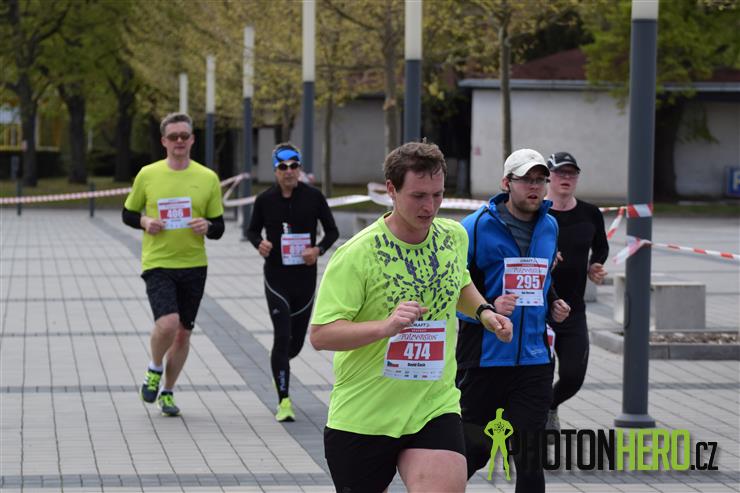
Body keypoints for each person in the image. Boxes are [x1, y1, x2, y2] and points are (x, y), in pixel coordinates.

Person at [309, 141, 513, 493]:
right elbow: (322, 335)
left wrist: (484, 312)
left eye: (437, 195)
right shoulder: (357, 254)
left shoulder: (453, 237)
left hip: (433, 404)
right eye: (418, 196)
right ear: (391, 189)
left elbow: (458, 283)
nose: (429, 206)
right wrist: (386, 326)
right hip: (366, 414)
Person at [456, 148, 570, 492]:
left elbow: (540, 280)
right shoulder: (474, 227)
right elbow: (451, 291)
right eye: (526, 180)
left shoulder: (550, 225)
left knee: (530, 457)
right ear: (506, 183)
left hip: (534, 360)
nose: (534, 187)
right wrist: (489, 308)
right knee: (474, 451)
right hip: (485, 359)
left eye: (540, 180)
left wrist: (553, 303)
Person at [122, 112, 225, 417]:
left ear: (192, 140)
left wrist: (207, 226)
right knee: (167, 323)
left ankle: (167, 391)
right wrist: (144, 221)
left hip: (194, 264)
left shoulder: (207, 178)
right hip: (158, 262)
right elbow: (127, 214)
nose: (179, 141)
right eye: (173, 136)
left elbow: (219, 227)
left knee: (182, 334)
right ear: (163, 141)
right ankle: (154, 367)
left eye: (184, 136)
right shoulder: (148, 174)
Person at [246, 143, 339, 422]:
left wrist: (318, 250)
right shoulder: (265, 199)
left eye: (294, 166)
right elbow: (252, 230)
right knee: (281, 335)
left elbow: (332, 231)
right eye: (283, 167)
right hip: (276, 278)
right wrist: (259, 243)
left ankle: (281, 366)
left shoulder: (313, 197)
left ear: (299, 168)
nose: (289, 171)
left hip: (304, 279)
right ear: (275, 170)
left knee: (294, 344)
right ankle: (284, 400)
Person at [544, 151, 609, 432]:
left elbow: (601, 246)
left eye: (571, 173)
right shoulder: (539, 213)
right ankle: (537, 421)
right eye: (560, 172)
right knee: (539, 375)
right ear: (548, 177)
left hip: (574, 310)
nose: (566, 178)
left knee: (573, 375)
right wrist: (544, 256)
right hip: (541, 310)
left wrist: (596, 264)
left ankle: (550, 405)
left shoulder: (590, 213)